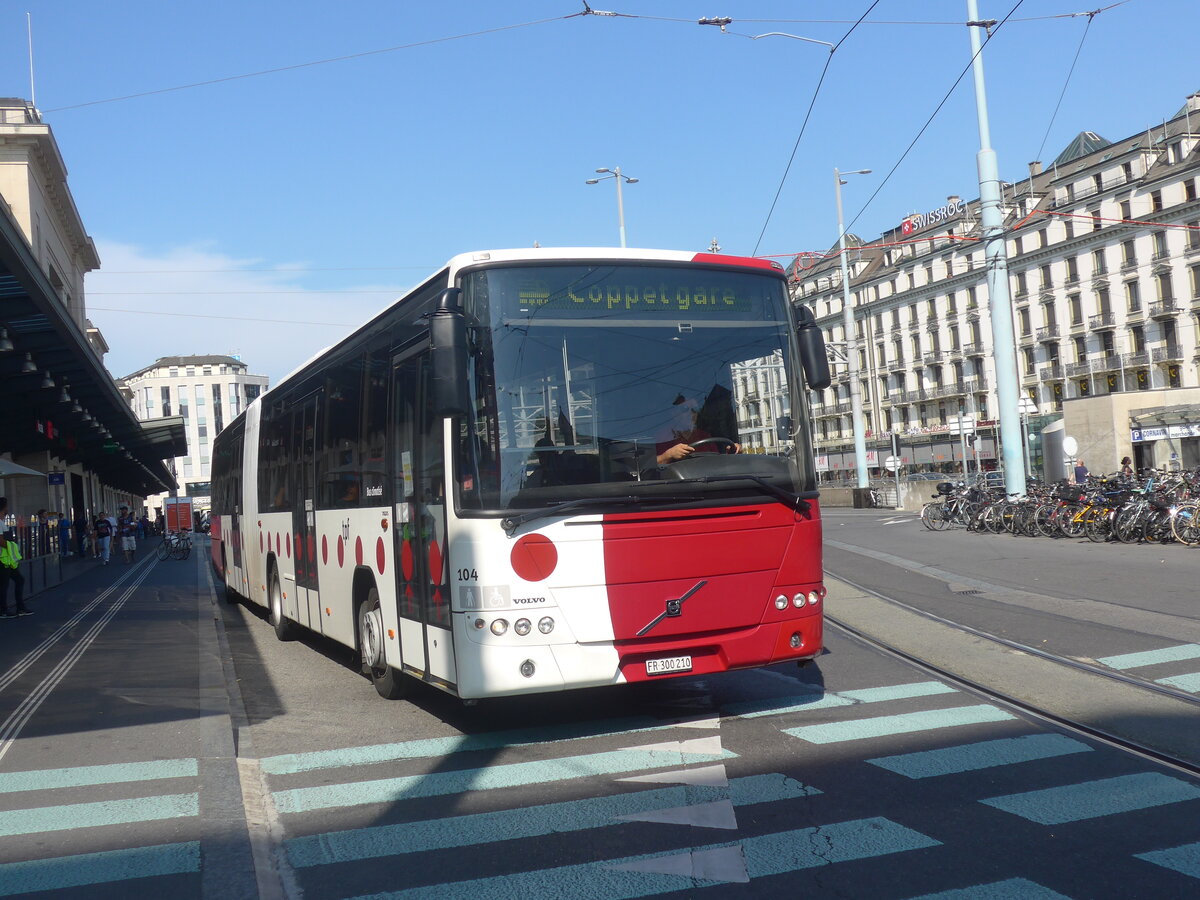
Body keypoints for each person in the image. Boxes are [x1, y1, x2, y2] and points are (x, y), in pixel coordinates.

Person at [0, 530, 31, 617]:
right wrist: (14, 545)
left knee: (18, 580)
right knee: (4, 584)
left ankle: (19, 608)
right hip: (3, 560)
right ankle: (4, 610)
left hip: (7, 560)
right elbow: (1, 541)